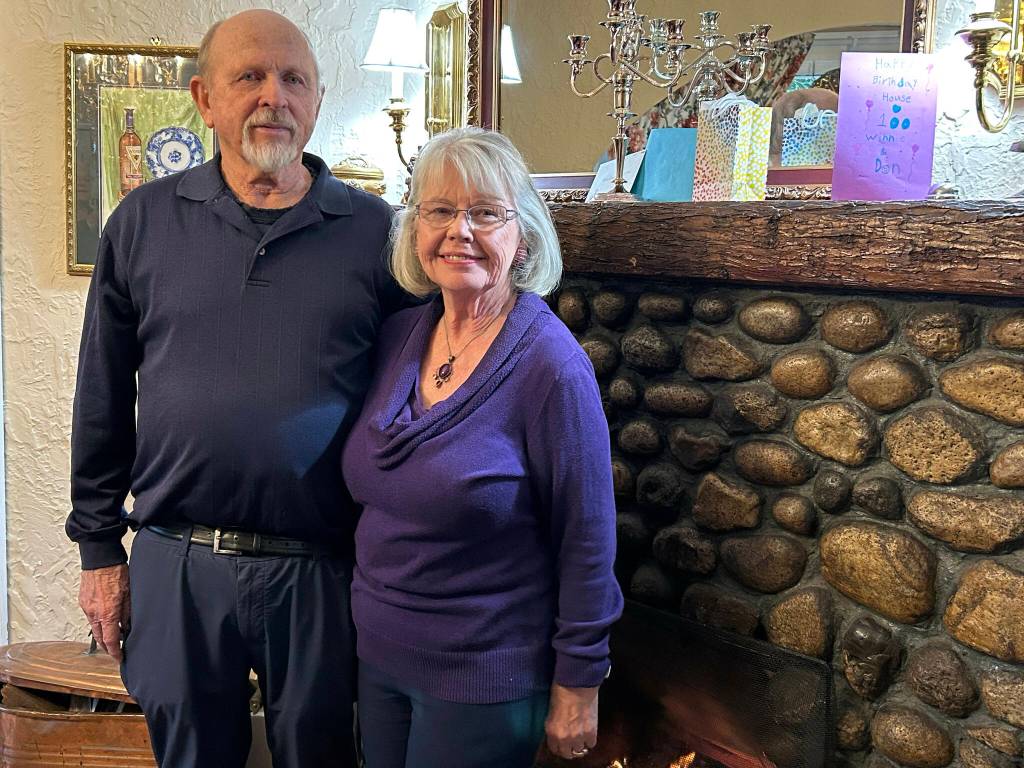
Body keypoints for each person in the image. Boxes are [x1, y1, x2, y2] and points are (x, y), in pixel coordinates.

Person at [66, 10, 406, 768]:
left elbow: (416, 398)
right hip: (177, 562)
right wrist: (97, 549)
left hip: (325, 570)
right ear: (204, 98)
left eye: (294, 80)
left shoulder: (377, 232)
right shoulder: (141, 223)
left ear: (317, 101)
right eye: (248, 76)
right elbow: (101, 396)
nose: (272, 97)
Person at [341, 127, 624, 767]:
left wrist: (579, 682)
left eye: (485, 213)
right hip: (377, 657)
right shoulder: (396, 338)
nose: (458, 231)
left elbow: (588, 535)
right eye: (438, 210)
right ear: (415, 229)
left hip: (484, 679)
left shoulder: (551, 367)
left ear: (521, 236)